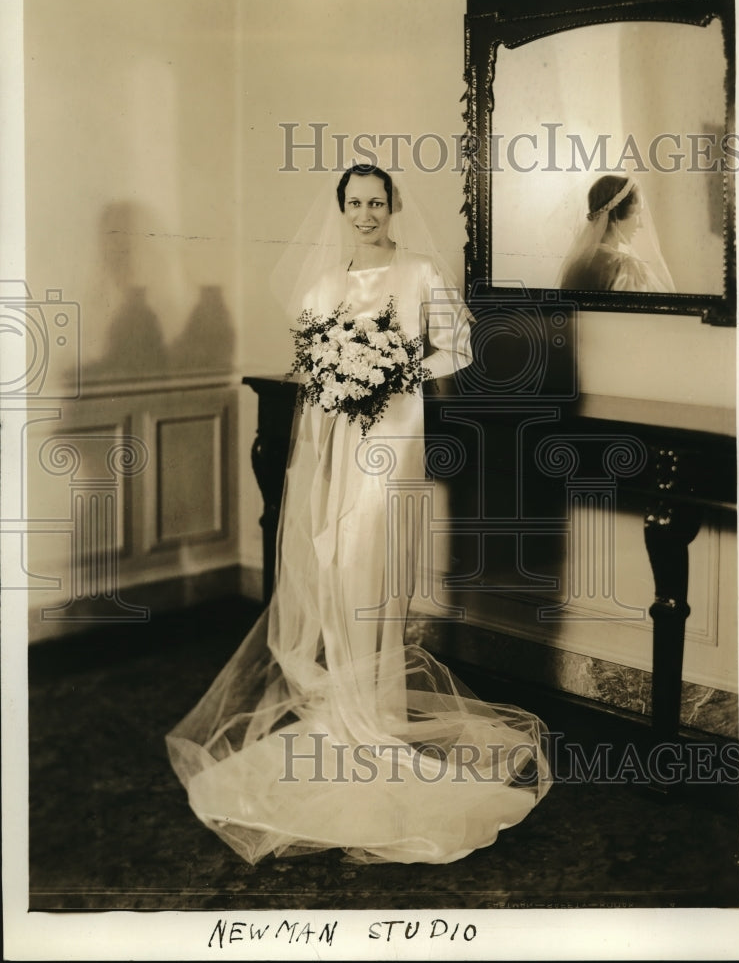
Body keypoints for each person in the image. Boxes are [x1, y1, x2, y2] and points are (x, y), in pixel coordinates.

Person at [166, 164, 551, 866]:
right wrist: (342, 375)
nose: (366, 213)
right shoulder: (323, 285)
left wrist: (394, 370)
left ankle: (375, 714)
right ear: (340, 209)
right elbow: (312, 367)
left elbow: (456, 348)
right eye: (354, 203)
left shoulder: (419, 274)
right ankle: (347, 709)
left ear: (393, 206)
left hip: (395, 437)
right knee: (337, 557)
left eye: (377, 202)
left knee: (374, 556)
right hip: (338, 436)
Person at [557, 174, 676, 293]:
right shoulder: (625, 267)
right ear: (615, 216)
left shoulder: (578, 264)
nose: (641, 225)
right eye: (637, 214)